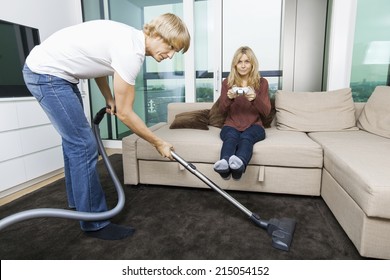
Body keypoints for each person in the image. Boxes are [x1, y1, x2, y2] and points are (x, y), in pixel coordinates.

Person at [22, 14, 190, 240]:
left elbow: (99, 64)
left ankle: (78, 203)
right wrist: (158, 142)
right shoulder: (131, 52)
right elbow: (126, 113)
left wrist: (108, 97)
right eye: (170, 47)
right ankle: (95, 222)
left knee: (74, 142)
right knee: (83, 144)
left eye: (175, 52)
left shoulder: (127, 37)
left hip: (58, 75)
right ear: (157, 34)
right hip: (46, 75)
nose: (170, 56)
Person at [213, 46, 271, 180]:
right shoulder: (227, 83)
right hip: (231, 124)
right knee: (231, 137)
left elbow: (267, 112)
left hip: (255, 126)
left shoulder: (262, 83)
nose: (243, 65)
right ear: (235, 64)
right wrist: (229, 98)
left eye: (247, 61)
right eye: (240, 62)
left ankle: (238, 167)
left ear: (252, 64)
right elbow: (221, 110)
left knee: (246, 137)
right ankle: (225, 167)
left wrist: (255, 99)